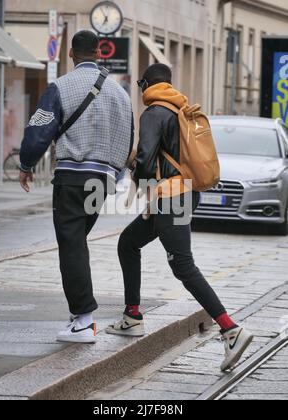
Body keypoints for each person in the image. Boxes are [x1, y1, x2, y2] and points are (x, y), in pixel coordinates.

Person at [106, 63, 253, 372]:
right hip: (184, 193)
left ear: (146, 84)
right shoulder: (180, 110)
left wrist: (132, 167)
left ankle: (230, 329)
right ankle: (132, 316)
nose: (141, 91)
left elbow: (146, 163)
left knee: (182, 266)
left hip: (172, 197)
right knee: (128, 242)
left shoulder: (153, 113)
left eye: (140, 86)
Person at [19, 31, 134, 344]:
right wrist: (118, 175)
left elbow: (39, 130)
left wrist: (26, 164)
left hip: (72, 176)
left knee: (71, 245)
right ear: (99, 52)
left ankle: (84, 320)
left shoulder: (61, 86)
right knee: (77, 243)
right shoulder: (120, 93)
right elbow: (128, 137)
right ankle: (79, 316)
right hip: (103, 181)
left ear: (71, 53)